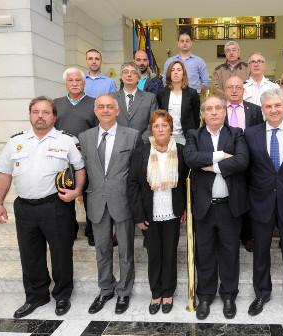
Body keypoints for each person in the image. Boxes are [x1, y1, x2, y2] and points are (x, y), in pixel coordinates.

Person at [0, 96, 86, 318]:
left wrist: (77, 191)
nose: (40, 116)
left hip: (56, 206)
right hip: (25, 208)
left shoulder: (66, 141)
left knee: (61, 253)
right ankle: (36, 296)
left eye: (45, 112)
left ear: (54, 116)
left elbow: (80, 168)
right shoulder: (15, 142)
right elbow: (4, 173)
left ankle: (62, 295)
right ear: (30, 115)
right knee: (30, 254)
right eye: (35, 112)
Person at [244, 88, 283, 319]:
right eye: (268, 106)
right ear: (262, 110)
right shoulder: (250, 134)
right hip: (260, 201)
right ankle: (262, 293)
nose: (273, 110)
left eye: (277, 106)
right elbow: (246, 169)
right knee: (261, 251)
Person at [184, 96, 249, 320]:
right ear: (203, 113)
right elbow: (191, 159)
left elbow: (242, 160)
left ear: (224, 112)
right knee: (205, 254)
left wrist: (210, 166)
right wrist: (221, 157)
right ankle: (205, 296)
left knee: (230, 253)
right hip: (204, 208)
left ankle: (229, 295)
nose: (213, 112)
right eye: (209, 109)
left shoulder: (236, 133)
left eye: (218, 108)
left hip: (229, 207)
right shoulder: (194, 135)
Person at [79, 94, 143, 315]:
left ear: (117, 111)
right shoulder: (85, 137)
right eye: (101, 107)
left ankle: (124, 291)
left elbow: (137, 174)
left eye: (109, 107)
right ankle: (105, 288)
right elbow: (84, 170)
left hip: (123, 201)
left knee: (126, 250)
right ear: (95, 111)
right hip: (96, 200)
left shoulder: (132, 136)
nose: (105, 110)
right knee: (102, 249)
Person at [128, 110, 188, 315]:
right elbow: (133, 184)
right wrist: (138, 215)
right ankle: (156, 293)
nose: (160, 129)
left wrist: (186, 209)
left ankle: (168, 293)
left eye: (164, 125)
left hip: (173, 212)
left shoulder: (181, 150)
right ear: (151, 129)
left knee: (170, 254)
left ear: (171, 128)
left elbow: (188, 184)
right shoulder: (141, 152)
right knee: (154, 254)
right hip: (149, 213)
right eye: (156, 126)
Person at [54, 67, 97, 246]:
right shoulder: (55, 103)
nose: (75, 83)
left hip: (88, 156)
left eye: (78, 80)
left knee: (90, 194)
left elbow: (98, 129)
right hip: (62, 158)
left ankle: (92, 231)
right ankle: (69, 230)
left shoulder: (94, 103)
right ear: (66, 83)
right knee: (65, 192)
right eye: (71, 80)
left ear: (84, 82)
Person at [224, 75, 263, 253]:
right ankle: (229, 234)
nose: (234, 90)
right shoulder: (218, 109)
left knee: (248, 199)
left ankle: (247, 236)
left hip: (249, 161)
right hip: (224, 162)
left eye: (238, 87)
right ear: (224, 90)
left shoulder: (255, 110)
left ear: (243, 90)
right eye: (230, 87)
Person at [112, 62, 158, 143]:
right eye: (126, 72)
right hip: (116, 145)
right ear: (121, 77)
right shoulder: (111, 98)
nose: (129, 75)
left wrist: (140, 142)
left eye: (133, 73)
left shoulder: (150, 98)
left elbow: (153, 123)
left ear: (139, 78)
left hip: (142, 145)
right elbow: (107, 122)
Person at [157, 61, 200, 145]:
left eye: (179, 70)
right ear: (169, 73)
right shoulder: (161, 93)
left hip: (186, 138)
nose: (176, 72)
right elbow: (159, 115)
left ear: (183, 74)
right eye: (172, 70)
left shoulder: (192, 93)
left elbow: (196, 118)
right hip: (167, 137)